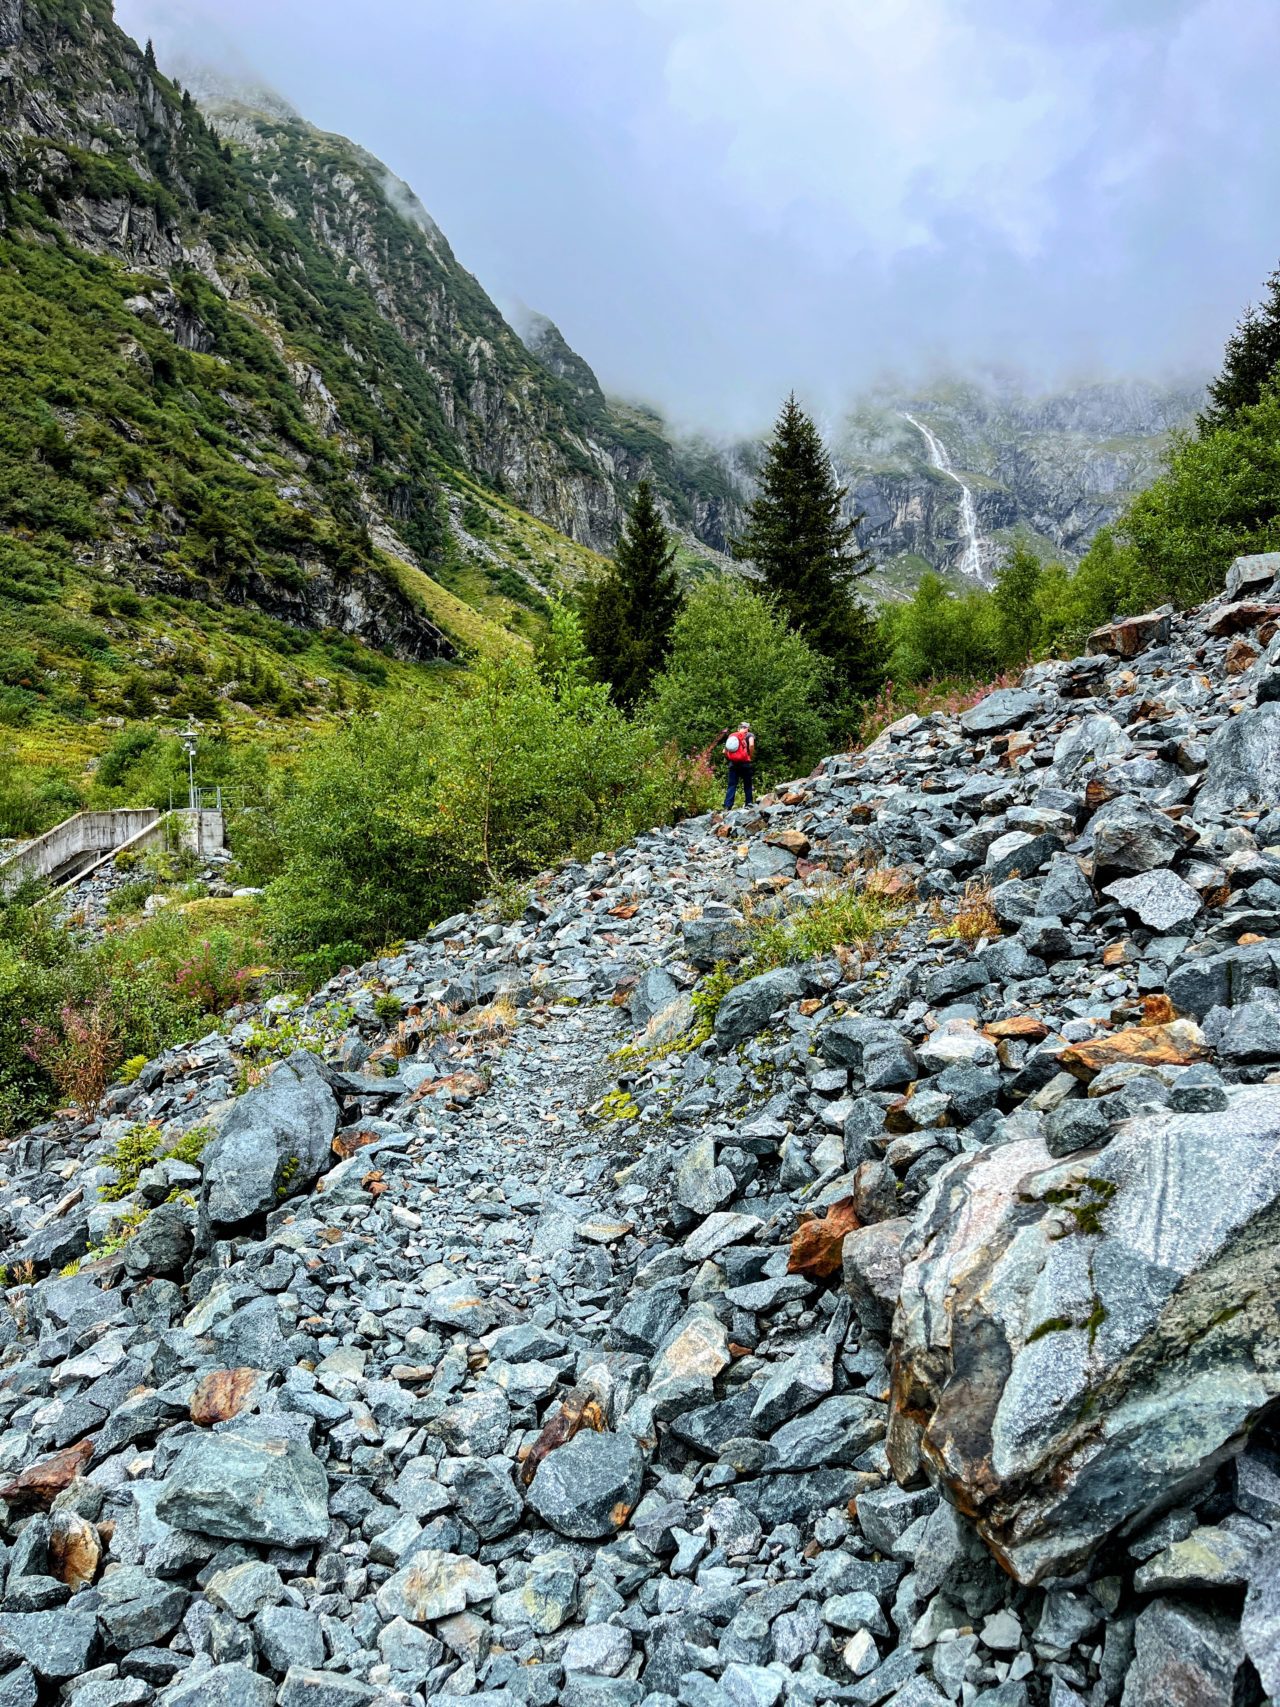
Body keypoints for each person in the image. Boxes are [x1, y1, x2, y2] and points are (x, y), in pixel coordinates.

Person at [720, 720, 756, 810]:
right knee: (747, 784)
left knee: (732, 785)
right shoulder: (749, 735)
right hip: (745, 763)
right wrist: (750, 756)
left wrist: (731, 758)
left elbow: (724, 751)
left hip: (733, 764)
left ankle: (727, 806)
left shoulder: (732, 735)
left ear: (738, 728)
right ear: (747, 728)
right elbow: (751, 745)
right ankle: (749, 804)